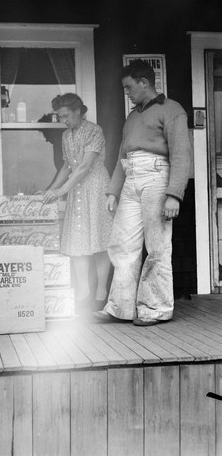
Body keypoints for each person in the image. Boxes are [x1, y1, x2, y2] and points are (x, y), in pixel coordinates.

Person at [95, 59, 191, 326]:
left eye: (128, 88)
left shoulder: (171, 110)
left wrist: (174, 194)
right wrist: (113, 191)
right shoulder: (133, 116)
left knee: (157, 245)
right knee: (122, 243)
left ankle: (156, 307)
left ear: (144, 83)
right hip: (131, 177)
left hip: (157, 176)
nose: (127, 93)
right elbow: (120, 157)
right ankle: (120, 306)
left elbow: (181, 154)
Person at [43, 93, 113, 314]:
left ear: (78, 112)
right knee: (78, 244)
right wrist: (51, 189)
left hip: (95, 188)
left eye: (66, 116)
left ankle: (101, 293)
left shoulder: (94, 130)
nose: (64, 120)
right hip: (77, 190)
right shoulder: (66, 135)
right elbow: (67, 167)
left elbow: (84, 167)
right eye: (60, 117)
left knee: (99, 241)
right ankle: (83, 293)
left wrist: (61, 191)